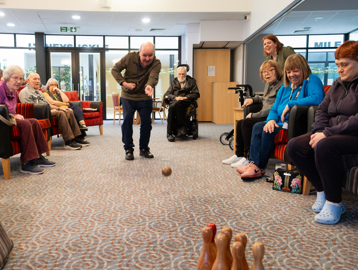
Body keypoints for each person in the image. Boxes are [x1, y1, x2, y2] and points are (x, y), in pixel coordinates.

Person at [286, 41, 358, 225]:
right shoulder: (337, 84)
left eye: (345, 64)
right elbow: (322, 110)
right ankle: (322, 191)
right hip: (332, 132)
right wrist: (318, 132)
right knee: (295, 145)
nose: (340, 69)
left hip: (353, 135)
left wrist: (327, 134)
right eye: (338, 65)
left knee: (325, 145)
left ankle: (335, 202)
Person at [237, 54, 325, 180]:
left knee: (267, 131)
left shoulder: (311, 79)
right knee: (258, 126)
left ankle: (259, 167)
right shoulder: (285, 87)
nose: (292, 74)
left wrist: (290, 104)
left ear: (303, 69)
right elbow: (274, 107)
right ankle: (254, 164)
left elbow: (317, 98)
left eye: (296, 70)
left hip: (296, 125)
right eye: (288, 72)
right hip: (280, 122)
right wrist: (271, 120)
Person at [222, 60, 284, 167]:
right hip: (265, 115)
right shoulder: (269, 84)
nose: (266, 73)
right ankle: (239, 154)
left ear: (277, 71)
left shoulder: (282, 86)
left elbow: (273, 107)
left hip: (272, 117)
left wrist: (255, 115)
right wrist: (253, 99)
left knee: (247, 123)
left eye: (270, 70)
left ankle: (248, 157)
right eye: (264, 71)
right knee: (240, 122)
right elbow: (265, 98)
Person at [0, 65, 55, 174]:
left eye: (20, 78)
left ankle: (37, 156)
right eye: (15, 78)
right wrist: (14, 116)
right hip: (3, 121)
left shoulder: (14, 91)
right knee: (25, 124)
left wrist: (14, 115)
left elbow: (13, 108)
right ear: (7, 77)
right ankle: (26, 162)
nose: (18, 81)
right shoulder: (0, 88)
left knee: (34, 121)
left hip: (11, 118)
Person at [111, 42, 161, 160]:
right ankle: (128, 148)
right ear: (139, 53)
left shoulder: (156, 63)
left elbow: (153, 77)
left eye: (150, 55)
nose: (147, 58)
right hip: (128, 96)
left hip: (144, 97)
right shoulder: (129, 57)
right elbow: (115, 70)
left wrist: (149, 86)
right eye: (144, 55)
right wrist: (124, 83)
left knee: (147, 122)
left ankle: (144, 148)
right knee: (128, 119)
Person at [19, 73, 86, 150]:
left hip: (47, 110)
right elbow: (28, 107)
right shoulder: (24, 92)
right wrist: (55, 109)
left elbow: (48, 104)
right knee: (60, 113)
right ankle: (69, 141)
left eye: (38, 79)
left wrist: (59, 108)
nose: (37, 81)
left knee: (68, 111)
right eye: (35, 79)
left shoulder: (39, 92)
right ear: (28, 80)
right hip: (39, 113)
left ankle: (77, 137)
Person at [43, 78, 89, 145]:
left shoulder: (59, 94)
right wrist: (64, 104)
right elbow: (52, 102)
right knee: (71, 112)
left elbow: (66, 100)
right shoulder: (46, 93)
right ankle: (78, 136)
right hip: (59, 108)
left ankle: (82, 124)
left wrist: (60, 91)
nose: (54, 86)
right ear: (48, 86)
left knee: (76, 106)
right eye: (52, 85)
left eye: (55, 85)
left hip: (66, 107)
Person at [164, 65, 200, 142]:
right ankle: (175, 130)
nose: (181, 75)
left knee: (173, 106)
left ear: (186, 74)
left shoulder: (191, 81)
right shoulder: (174, 82)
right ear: (177, 74)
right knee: (173, 106)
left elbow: (196, 94)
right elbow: (168, 93)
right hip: (176, 101)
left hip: (186, 101)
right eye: (180, 74)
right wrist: (175, 98)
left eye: (183, 74)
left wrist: (185, 97)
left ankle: (173, 132)